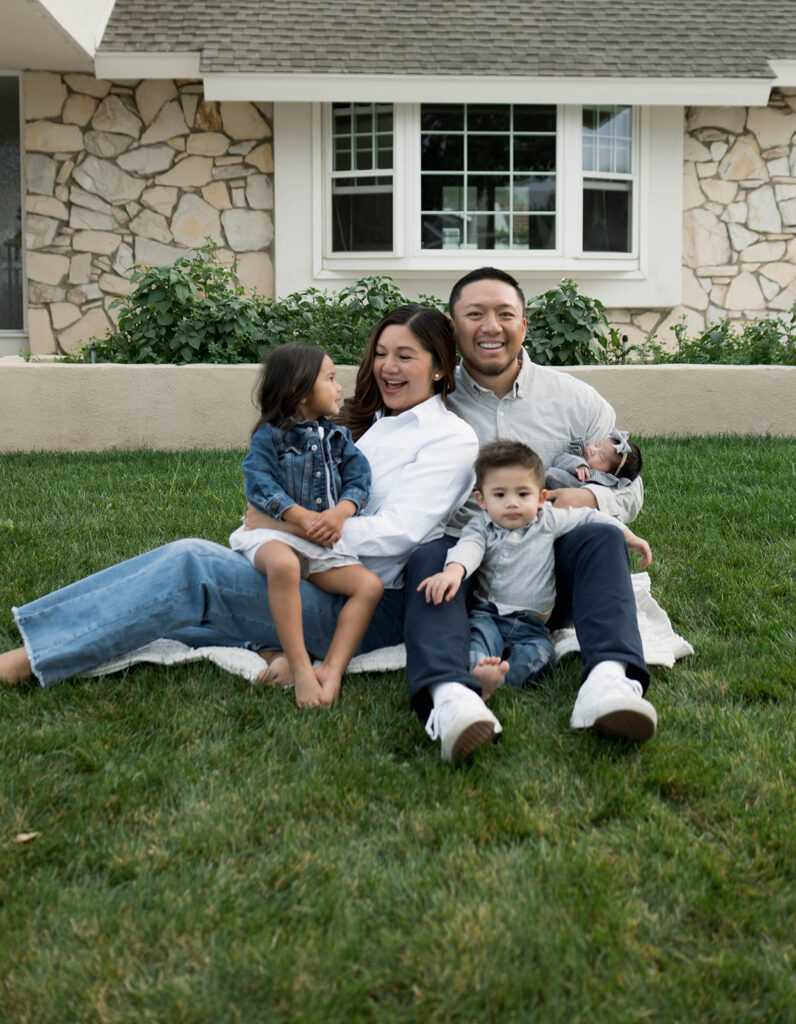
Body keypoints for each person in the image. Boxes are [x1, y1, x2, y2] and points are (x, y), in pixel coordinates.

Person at [0, 306, 478, 708]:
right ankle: (271, 650)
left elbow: (402, 532)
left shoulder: (451, 438)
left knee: (192, 567)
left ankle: (25, 661)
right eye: (380, 354)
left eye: (404, 357)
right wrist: (280, 531)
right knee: (179, 608)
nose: (386, 367)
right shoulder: (373, 425)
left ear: (439, 368)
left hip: (361, 605)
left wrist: (290, 530)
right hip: (313, 575)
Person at [401, 267, 657, 762]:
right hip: (463, 568)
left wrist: (589, 500)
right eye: (474, 314)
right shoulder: (429, 398)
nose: (490, 326)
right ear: (453, 327)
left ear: (525, 322)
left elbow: (629, 486)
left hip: (545, 576)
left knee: (600, 537)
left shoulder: (576, 399)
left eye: (504, 314)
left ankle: (608, 682)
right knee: (429, 557)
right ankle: (450, 698)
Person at [417, 440, 652, 701]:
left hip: (533, 626)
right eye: (499, 495)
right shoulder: (481, 526)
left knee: (540, 657)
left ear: (541, 497)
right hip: (489, 616)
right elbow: (468, 548)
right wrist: (453, 571)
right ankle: (477, 673)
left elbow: (588, 516)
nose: (512, 504)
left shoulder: (548, 519)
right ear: (482, 501)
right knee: (476, 643)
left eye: (522, 494)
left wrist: (627, 535)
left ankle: (501, 681)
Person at [228, 341, 383, 708]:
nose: (339, 386)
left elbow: (359, 478)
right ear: (299, 392)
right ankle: (299, 668)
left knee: (369, 586)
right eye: (330, 378)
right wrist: (303, 518)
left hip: (319, 541)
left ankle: (331, 667)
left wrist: (343, 510)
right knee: (283, 565)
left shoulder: (338, 437)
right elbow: (259, 484)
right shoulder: (270, 437)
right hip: (273, 532)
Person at [545, 429, 643, 491]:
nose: (593, 450)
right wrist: (578, 463)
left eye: (601, 457)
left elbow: (554, 476)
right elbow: (561, 457)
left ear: (609, 477)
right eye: (597, 445)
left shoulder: (590, 481)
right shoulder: (578, 452)